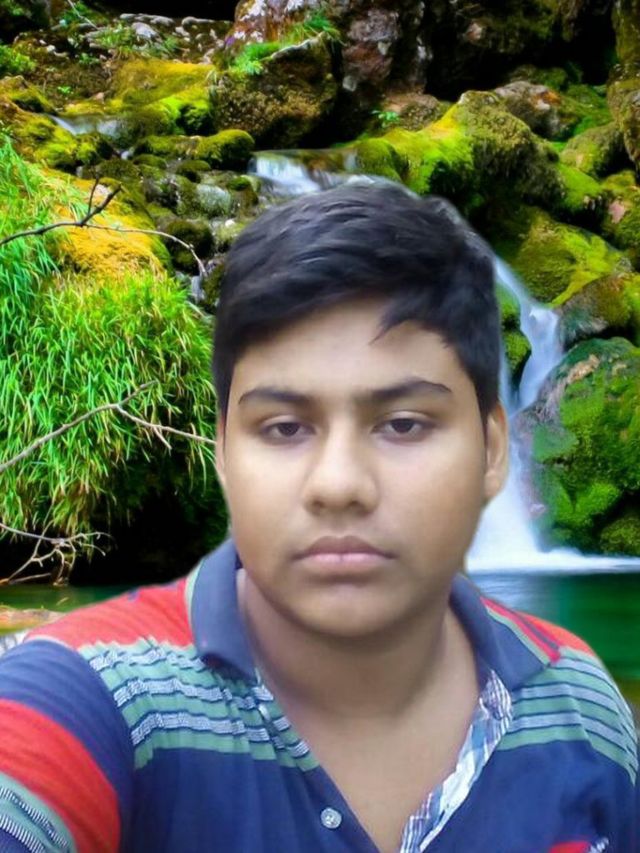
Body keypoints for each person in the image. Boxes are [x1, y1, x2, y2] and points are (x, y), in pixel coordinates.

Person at [0, 184, 637, 853]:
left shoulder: (579, 708)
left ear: (493, 449)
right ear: (223, 453)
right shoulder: (88, 694)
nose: (339, 485)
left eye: (403, 424)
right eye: (283, 427)